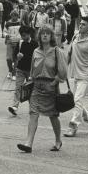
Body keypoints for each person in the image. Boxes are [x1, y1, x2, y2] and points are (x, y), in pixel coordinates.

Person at [17, 24, 67, 153]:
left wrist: (55, 82)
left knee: (53, 115)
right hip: (37, 86)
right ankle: (28, 143)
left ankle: (58, 140)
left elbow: (63, 72)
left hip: (51, 87)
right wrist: (29, 82)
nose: (44, 35)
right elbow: (33, 71)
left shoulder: (57, 51)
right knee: (33, 113)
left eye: (47, 33)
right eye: (42, 33)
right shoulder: (36, 51)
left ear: (51, 36)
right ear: (39, 36)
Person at [64, 17, 88, 137]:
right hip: (74, 74)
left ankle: (73, 125)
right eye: (80, 24)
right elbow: (69, 54)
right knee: (76, 101)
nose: (80, 26)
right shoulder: (75, 37)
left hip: (86, 75)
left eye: (84, 24)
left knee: (77, 100)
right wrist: (64, 69)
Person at [8, 26, 38, 116]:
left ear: (29, 34)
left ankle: (32, 108)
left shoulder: (34, 44)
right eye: (22, 35)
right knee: (18, 88)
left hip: (30, 70)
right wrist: (17, 56)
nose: (23, 37)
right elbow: (15, 54)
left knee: (30, 90)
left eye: (24, 35)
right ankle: (14, 106)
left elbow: (37, 57)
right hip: (20, 69)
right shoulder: (20, 43)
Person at [5, 9, 21, 81]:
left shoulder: (20, 22)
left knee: (16, 59)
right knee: (9, 58)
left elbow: (23, 31)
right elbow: (4, 32)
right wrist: (6, 35)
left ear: (17, 16)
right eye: (13, 15)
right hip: (10, 42)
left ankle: (14, 74)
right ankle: (10, 70)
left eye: (15, 15)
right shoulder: (8, 23)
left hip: (18, 42)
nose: (14, 17)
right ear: (11, 16)